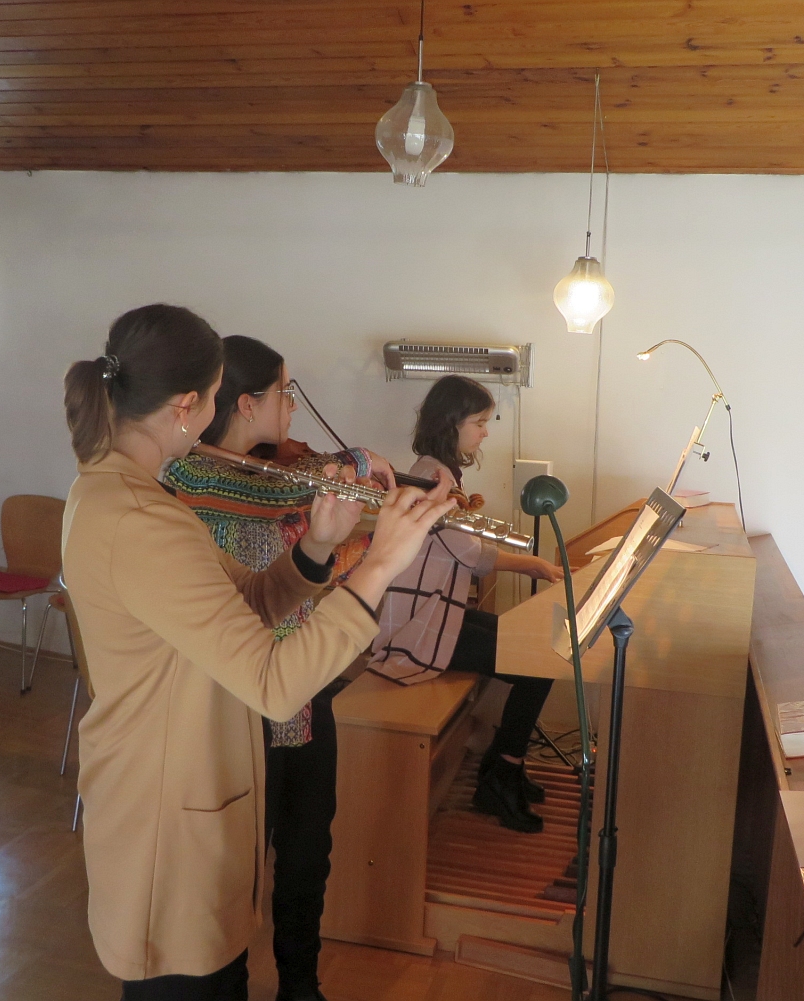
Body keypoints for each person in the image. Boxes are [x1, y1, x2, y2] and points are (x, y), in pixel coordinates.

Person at [60, 304, 455, 1001]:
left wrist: (318, 547)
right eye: (216, 398)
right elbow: (274, 682)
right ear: (186, 406)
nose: (216, 415)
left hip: (184, 788)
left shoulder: (132, 495)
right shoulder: (141, 519)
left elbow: (242, 604)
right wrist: (379, 567)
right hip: (166, 814)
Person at [162, 335, 390, 1001]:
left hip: (305, 688)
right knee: (236, 862)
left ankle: (300, 983)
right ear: (244, 403)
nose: (292, 407)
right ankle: (226, 978)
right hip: (234, 702)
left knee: (307, 850)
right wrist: (348, 464)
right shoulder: (195, 479)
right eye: (284, 393)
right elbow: (266, 500)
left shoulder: (274, 475)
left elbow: (304, 525)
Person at [369, 374, 564, 834]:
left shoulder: (441, 471)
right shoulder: (430, 477)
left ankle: (502, 765)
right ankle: (501, 774)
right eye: (479, 422)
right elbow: (472, 556)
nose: (485, 432)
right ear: (452, 423)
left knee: (534, 649)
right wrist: (534, 564)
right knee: (537, 666)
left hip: (438, 613)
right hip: (417, 627)